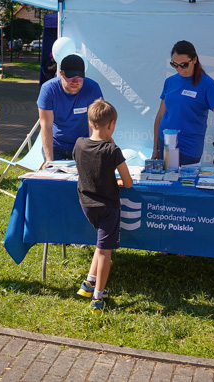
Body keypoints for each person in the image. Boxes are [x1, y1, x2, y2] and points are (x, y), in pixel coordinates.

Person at [73, 100, 132, 314]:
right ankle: (98, 296)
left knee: (100, 243)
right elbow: (128, 182)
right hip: (108, 206)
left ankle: (89, 283)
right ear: (112, 124)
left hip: (87, 204)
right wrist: (116, 180)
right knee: (106, 250)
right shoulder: (113, 150)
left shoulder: (79, 144)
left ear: (90, 122)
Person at [151, 41, 214, 169]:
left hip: (187, 149)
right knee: (167, 183)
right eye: (174, 65)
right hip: (165, 143)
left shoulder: (207, 84)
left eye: (183, 65)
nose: (179, 69)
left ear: (194, 60)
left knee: (184, 186)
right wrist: (155, 147)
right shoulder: (170, 82)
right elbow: (160, 115)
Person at [37, 54, 104, 164]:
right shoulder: (48, 90)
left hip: (83, 145)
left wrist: (93, 152)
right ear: (61, 74)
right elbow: (46, 126)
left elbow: (95, 125)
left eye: (79, 77)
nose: (75, 81)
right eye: (70, 77)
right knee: (54, 177)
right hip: (56, 145)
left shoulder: (92, 88)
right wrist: (49, 160)